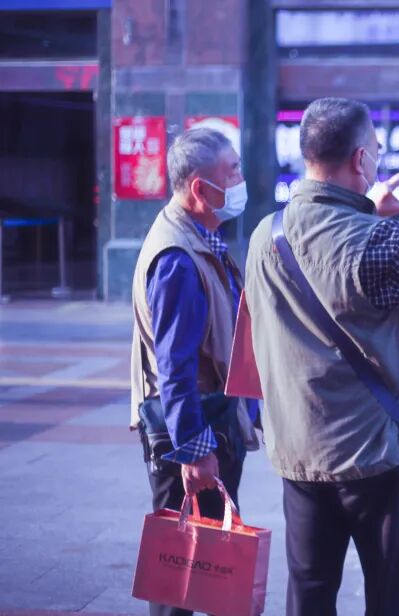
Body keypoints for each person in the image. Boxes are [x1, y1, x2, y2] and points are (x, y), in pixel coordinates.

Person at [244, 98, 399, 616]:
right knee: (390, 594)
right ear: (360, 159)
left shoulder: (265, 233)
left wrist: (367, 212)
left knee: (309, 591)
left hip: (298, 449)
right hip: (372, 454)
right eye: (376, 151)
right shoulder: (379, 242)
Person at [129, 128, 260, 616]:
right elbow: (175, 368)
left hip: (212, 420)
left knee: (204, 564)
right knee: (181, 571)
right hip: (196, 431)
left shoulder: (198, 236)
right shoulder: (177, 260)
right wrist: (195, 451)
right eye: (233, 171)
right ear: (201, 189)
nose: (241, 179)